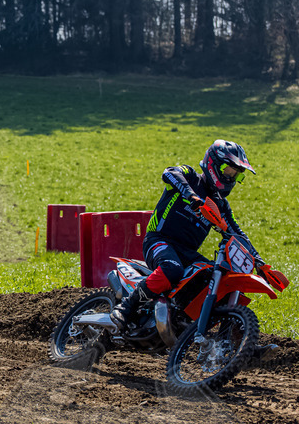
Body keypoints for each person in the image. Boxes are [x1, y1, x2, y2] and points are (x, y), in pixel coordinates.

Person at [111, 140, 262, 333]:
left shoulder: (221, 205)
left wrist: (259, 262)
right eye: (228, 171)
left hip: (187, 253)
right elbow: (169, 173)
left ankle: (230, 338)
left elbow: (237, 233)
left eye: (236, 174)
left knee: (215, 279)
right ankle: (126, 307)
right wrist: (191, 196)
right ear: (213, 164)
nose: (230, 177)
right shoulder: (190, 176)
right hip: (159, 240)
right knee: (171, 269)